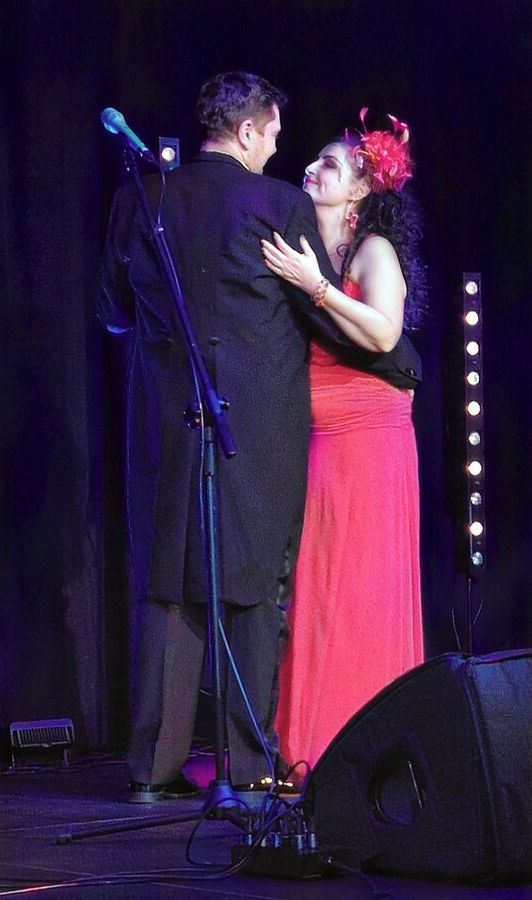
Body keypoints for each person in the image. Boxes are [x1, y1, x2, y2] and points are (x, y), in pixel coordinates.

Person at [98, 72, 369, 802]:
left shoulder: (139, 198)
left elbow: (112, 311)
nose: (277, 147)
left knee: (167, 584)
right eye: (273, 133)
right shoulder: (277, 204)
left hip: (163, 420)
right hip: (257, 422)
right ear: (247, 131)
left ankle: (151, 769)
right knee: (254, 586)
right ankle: (248, 766)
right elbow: (319, 318)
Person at [261, 109, 426, 771]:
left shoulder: (370, 251)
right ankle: (307, 746)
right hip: (316, 436)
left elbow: (383, 333)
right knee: (314, 586)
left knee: (356, 588)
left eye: (329, 164)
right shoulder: (304, 245)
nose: (311, 168)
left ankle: (360, 751)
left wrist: (316, 287)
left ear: (360, 188)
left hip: (367, 439)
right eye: (314, 159)